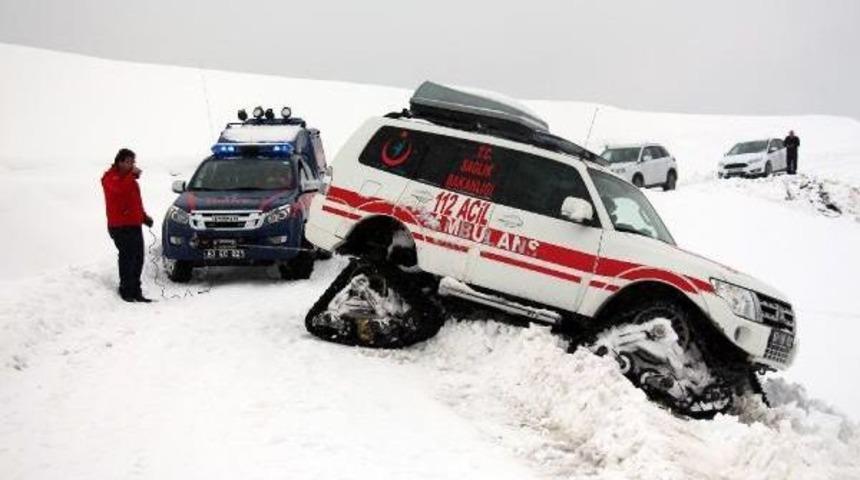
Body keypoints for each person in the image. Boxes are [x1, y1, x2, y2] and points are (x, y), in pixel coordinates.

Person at [101, 148, 154, 302]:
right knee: (127, 256)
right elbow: (120, 190)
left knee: (138, 257)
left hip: (134, 224)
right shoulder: (110, 178)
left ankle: (136, 291)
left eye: (133, 162)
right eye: (128, 162)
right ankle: (125, 290)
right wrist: (132, 175)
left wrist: (144, 217)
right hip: (119, 226)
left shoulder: (131, 181)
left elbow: (136, 202)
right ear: (120, 162)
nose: (132, 165)